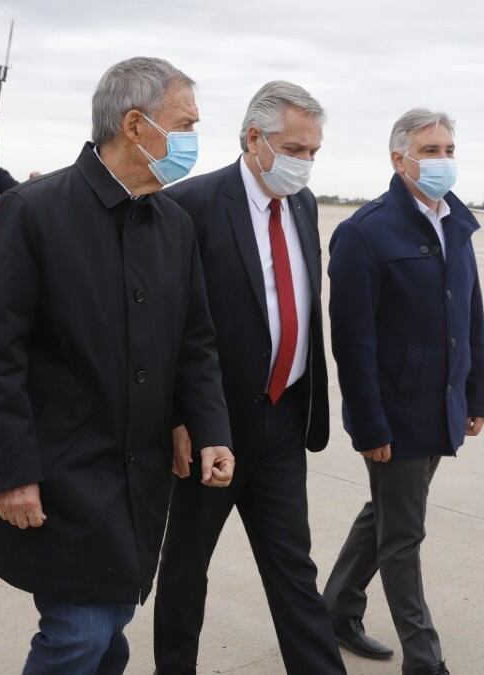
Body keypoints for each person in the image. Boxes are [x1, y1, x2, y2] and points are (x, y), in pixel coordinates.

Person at [0, 56, 235, 675]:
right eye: (186, 123)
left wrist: (210, 426)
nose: (194, 138)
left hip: (140, 476)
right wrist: (11, 472)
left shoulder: (172, 223)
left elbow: (195, 340)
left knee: (107, 631)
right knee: (79, 636)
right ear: (136, 126)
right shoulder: (33, 212)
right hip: (62, 474)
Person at [154, 82, 345, 675]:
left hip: (283, 419)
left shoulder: (305, 205)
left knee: (294, 567)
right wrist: (181, 419)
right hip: (213, 426)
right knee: (187, 567)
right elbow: (167, 328)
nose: (305, 162)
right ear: (254, 139)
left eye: (314, 151)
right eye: (295, 148)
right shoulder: (192, 204)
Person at [322, 109, 484, 675]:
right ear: (399, 159)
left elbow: (470, 317)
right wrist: (369, 425)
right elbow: (353, 341)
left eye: (449, 148)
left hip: (441, 404)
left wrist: (477, 395)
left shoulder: (455, 224)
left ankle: (336, 609)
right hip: (395, 413)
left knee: (389, 515)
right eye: (430, 149)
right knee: (404, 534)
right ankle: (425, 658)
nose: (443, 159)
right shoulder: (364, 233)